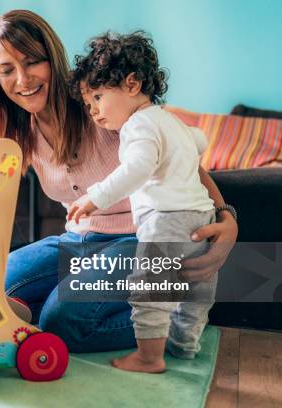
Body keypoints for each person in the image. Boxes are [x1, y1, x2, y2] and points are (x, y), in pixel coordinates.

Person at [0, 10, 238, 353]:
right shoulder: (17, 131)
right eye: (7, 70)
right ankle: (74, 300)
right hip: (78, 241)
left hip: (140, 238)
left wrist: (227, 220)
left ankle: (175, 316)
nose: (23, 79)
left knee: (62, 323)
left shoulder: (101, 105)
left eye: (32, 62)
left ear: (52, 59)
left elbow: (184, 164)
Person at [67, 30, 220, 373]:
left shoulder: (138, 126)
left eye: (98, 97)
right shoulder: (171, 121)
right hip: (201, 216)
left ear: (133, 84)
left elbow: (137, 168)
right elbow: (199, 141)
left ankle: (149, 358)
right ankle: (185, 345)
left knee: (150, 290)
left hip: (166, 219)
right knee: (195, 289)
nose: (94, 111)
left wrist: (96, 197)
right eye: (89, 104)